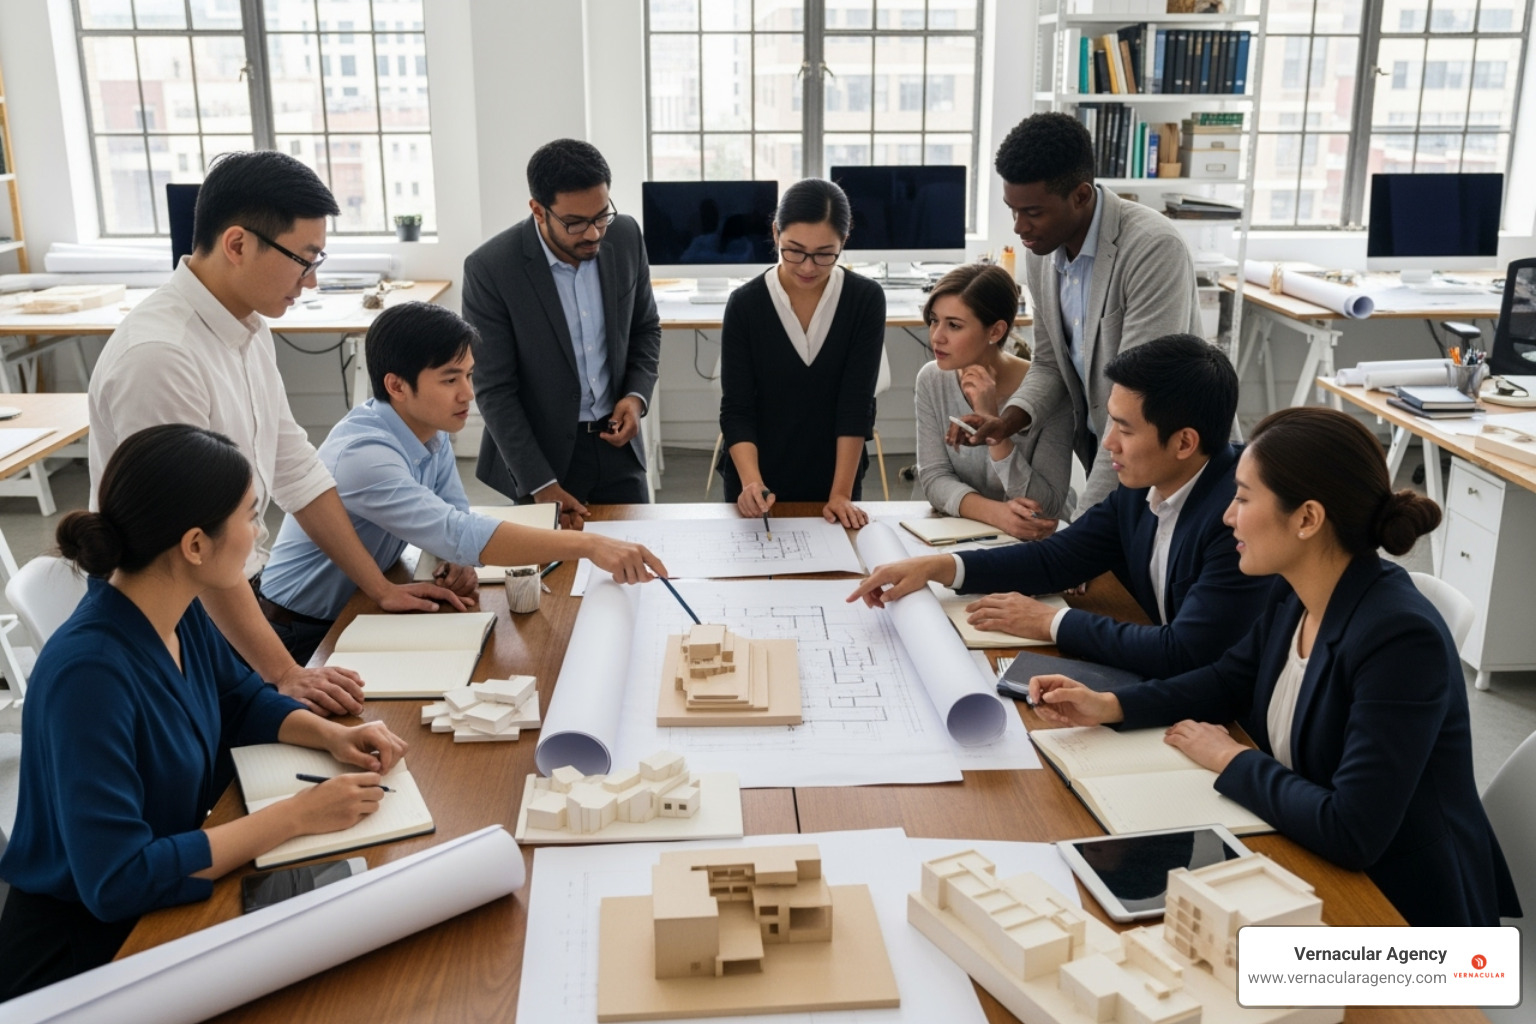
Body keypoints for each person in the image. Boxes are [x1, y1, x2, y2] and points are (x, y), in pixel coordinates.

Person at [1028, 407, 1521, 928]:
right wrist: (1109, 704)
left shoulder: (1401, 639)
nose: (1226, 516)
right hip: (1311, 863)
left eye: (1242, 498)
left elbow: (1352, 829)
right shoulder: (1296, 591)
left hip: (1409, 920)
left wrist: (1230, 758)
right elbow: (1226, 681)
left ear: (1307, 518)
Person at [0, 425, 411, 997]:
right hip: (86, 959)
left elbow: (240, 700)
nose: (259, 532)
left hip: (172, 889)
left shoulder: (177, 609)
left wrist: (329, 736)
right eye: (249, 516)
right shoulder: (87, 676)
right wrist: (295, 816)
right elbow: (118, 879)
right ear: (195, 545)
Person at [87, 150, 461, 718]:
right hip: (167, 611)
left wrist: (378, 587)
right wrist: (284, 672)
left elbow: (295, 469)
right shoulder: (161, 357)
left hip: (232, 587)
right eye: (303, 259)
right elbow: (194, 548)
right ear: (237, 245)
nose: (311, 280)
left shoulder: (247, 325)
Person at [259, 302, 670, 662]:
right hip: (301, 631)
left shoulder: (427, 431)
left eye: (470, 376)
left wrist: (452, 560)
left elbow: (455, 519)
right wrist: (590, 545)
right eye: (450, 379)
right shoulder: (364, 455)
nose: (468, 394)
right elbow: (459, 532)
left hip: (361, 605)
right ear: (396, 386)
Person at [851, 334, 1270, 679]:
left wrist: (1049, 622)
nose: (1107, 444)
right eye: (1109, 423)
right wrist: (939, 568)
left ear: (1184, 442)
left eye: (1125, 429)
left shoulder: (1240, 516)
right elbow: (1059, 558)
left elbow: (1183, 651)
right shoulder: (1145, 486)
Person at [954, 112, 1203, 512]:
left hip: (1174, 463)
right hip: (1110, 455)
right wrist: (1009, 419)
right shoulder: (1042, 250)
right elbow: (1050, 363)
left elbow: (1138, 399)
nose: (1019, 227)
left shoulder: (1153, 248)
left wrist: (1086, 527)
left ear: (1081, 196)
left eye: (1032, 212)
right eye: (1012, 210)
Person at [463, 139, 661, 525]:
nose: (592, 234)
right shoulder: (491, 269)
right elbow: (494, 388)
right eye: (574, 223)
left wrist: (636, 397)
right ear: (538, 210)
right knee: (553, 577)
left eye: (601, 215)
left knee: (637, 560)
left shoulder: (624, 236)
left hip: (619, 445)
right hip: (543, 457)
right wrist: (539, 483)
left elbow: (645, 328)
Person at [718, 178, 886, 528]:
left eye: (825, 254)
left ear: (845, 241)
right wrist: (752, 482)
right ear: (776, 233)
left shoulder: (865, 300)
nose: (808, 267)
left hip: (836, 478)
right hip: (756, 477)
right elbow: (737, 408)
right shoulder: (745, 304)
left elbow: (856, 405)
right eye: (794, 250)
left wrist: (840, 494)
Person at [915, 263, 1075, 540]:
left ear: (995, 332)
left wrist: (996, 430)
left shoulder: (1048, 390)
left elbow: (1047, 507)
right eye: (933, 320)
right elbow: (934, 479)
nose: (936, 336)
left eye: (953, 325)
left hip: (1037, 541)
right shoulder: (932, 379)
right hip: (962, 532)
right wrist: (997, 514)